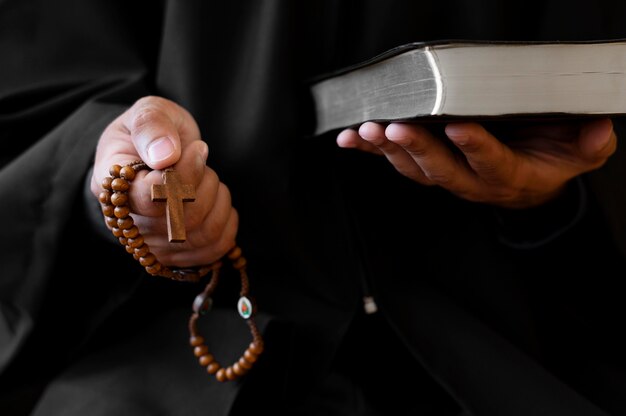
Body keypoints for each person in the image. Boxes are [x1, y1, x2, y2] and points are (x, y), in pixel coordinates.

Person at [1, 1, 626, 415]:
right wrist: (115, 190)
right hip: (172, 349)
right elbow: (42, 89)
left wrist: (544, 201)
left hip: (513, 332)